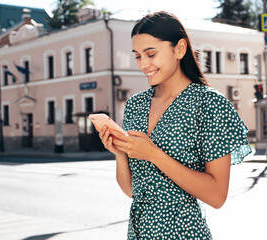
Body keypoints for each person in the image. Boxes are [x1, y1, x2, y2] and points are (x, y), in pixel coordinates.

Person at [98, 11, 252, 240]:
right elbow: (133, 191)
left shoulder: (209, 104)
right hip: (138, 232)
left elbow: (217, 196)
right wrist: (120, 154)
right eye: (138, 56)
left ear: (179, 49)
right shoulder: (135, 105)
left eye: (151, 54)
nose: (143, 64)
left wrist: (153, 154)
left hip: (184, 233)